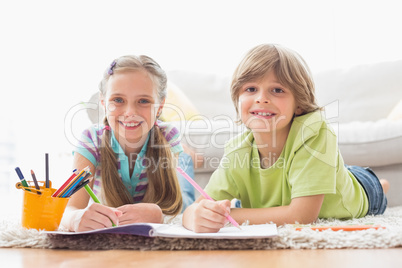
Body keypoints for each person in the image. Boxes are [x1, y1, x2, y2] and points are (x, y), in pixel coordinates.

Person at [182, 44, 390, 233]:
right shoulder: (237, 151)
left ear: (298, 104)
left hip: (359, 191)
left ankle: (380, 184)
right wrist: (194, 217)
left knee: (372, 186)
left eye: (277, 90)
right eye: (251, 89)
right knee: (337, 173)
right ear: (238, 99)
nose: (261, 98)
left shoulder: (315, 134)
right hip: (324, 174)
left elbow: (301, 216)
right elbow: (196, 206)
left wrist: (227, 216)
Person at [62, 55, 195, 232]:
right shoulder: (91, 139)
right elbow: (67, 208)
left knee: (185, 166)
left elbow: (185, 209)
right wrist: (75, 218)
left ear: (160, 106)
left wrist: (160, 215)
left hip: (170, 152)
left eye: (143, 101)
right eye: (118, 100)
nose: (130, 112)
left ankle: (187, 155)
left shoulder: (168, 136)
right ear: (103, 102)